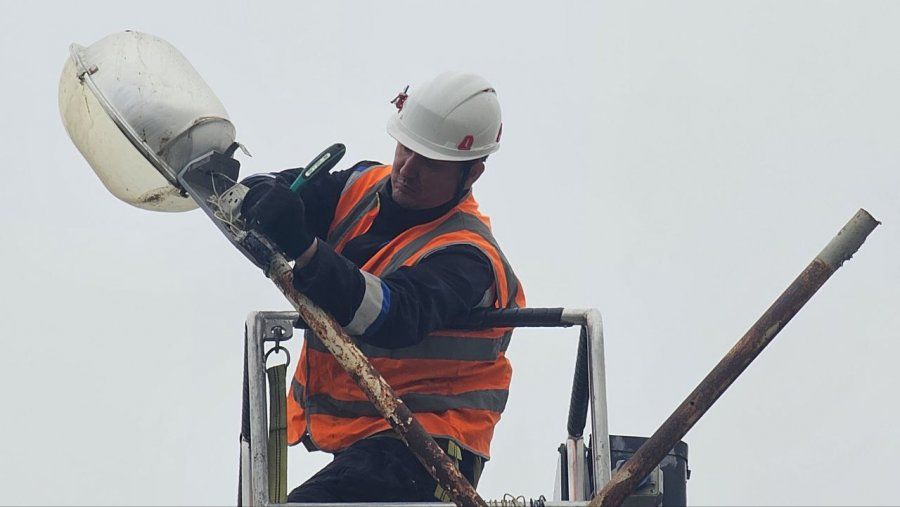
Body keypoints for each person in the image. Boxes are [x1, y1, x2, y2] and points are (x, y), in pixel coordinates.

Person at [240, 71, 525, 503]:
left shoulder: (468, 256)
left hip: (431, 450)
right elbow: (279, 189)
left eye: (430, 162)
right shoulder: (360, 186)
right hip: (369, 443)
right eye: (406, 148)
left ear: (472, 173)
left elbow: (391, 314)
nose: (407, 169)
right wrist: (262, 193)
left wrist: (305, 248)